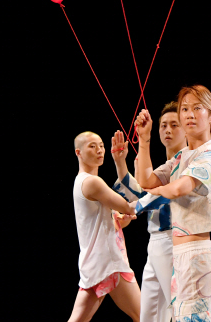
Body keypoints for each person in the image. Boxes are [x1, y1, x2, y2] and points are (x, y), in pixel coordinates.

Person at [135, 85, 211, 322]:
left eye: (198, 108)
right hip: (180, 257)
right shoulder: (181, 156)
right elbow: (145, 180)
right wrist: (144, 141)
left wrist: (139, 204)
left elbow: (178, 189)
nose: (189, 114)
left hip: (199, 257)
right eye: (184, 109)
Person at [112, 101, 187, 322]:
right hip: (155, 243)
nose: (168, 130)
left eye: (174, 125)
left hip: (173, 240)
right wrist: (120, 164)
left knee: (178, 308)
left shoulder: (188, 162)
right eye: (163, 125)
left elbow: (151, 198)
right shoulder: (160, 169)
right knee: (150, 316)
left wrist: (132, 207)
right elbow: (145, 195)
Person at [69, 131, 141, 322]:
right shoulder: (92, 182)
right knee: (144, 316)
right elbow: (128, 206)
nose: (100, 150)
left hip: (93, 263)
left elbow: (110, 217)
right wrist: (162, 196)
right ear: (79, 153)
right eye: (92, 146)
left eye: (101, 145)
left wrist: (119, 220)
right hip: (110, 263)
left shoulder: (80, 181)